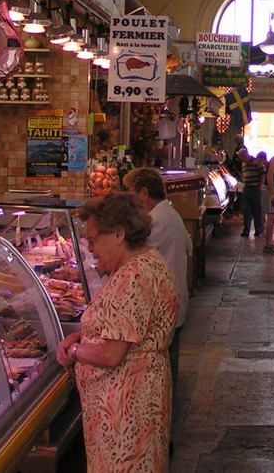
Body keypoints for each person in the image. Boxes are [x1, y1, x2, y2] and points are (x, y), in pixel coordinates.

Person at [56, 192, 179, 473]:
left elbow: (112, 353)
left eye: (93, 239)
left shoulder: (132, 277)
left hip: (126, 410)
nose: (90, 248)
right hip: (139, 400)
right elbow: (124, 329)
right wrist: (83, 336)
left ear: (119, 235)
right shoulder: (149, 261)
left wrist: (75, 351)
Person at [123, 167, 192, 395]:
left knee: (164, 367)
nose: (128, 196)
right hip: (173, 299)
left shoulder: (157, 220)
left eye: (129, 191)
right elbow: (189, 247)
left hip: (165, 302)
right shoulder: (170, 214)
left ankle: (164, 412)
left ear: (143, 193)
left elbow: (133, 255)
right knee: (169, 360)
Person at [237, 148, 265, 238]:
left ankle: (258, 230)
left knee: (256, 211)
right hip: (246, 189)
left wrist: (261, 185)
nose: (240, 159)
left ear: (245, 155)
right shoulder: (243, 163)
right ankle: (246, 230)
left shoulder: (257, 162)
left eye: (241, 157)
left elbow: (262, 174)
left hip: (255, 189)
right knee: (246, 211)